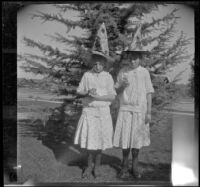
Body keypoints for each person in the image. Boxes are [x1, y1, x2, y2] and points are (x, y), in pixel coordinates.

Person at [74, 51, 116, 179]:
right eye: (95, 64)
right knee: (89, 142)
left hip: (103, 113)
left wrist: (98, 97)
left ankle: (96, 167)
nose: (97, 66)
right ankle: (88, 167)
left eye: (100, 64)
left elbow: (112, 96)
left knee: (100, 142)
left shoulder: (108, 77)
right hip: (89, 112)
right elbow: (79, 91)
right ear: (93, 63)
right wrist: (87, 92)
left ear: (104, 65)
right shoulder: (87, 75)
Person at [113, 50, 154, 179]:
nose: (132, 61)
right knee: (125, 140)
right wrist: (122, 86)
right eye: (130, 58)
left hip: (140, 111)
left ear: (139, 59)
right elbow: (115, 90)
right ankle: (124, 167)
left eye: (135, 58)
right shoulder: (123, 71)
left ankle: (134, 167)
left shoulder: (144, 72)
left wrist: (148, 112)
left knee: (136, 141)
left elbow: (149, 92)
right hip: (125, 109)